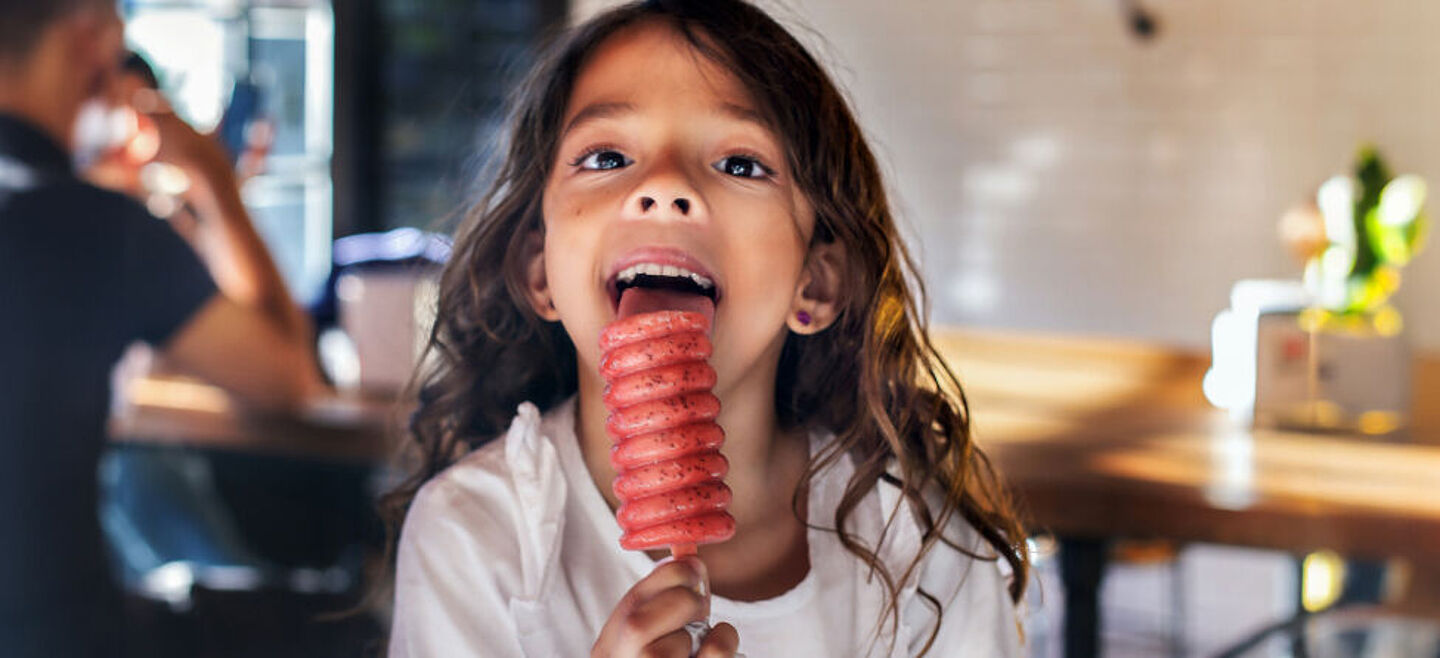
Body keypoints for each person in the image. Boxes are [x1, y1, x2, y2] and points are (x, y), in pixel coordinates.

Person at [385, 1, 1029, 656]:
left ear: (817, 283)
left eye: (741, 164)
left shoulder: (916, 548)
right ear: (540, 271)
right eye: (607, 156)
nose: (664, 184)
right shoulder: (477, 537)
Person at [0, 1, 325, 655]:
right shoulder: (91, 226)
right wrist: (213, 178)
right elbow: (288, 381)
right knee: (335, 616)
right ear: (91, 36)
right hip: (59, 637)